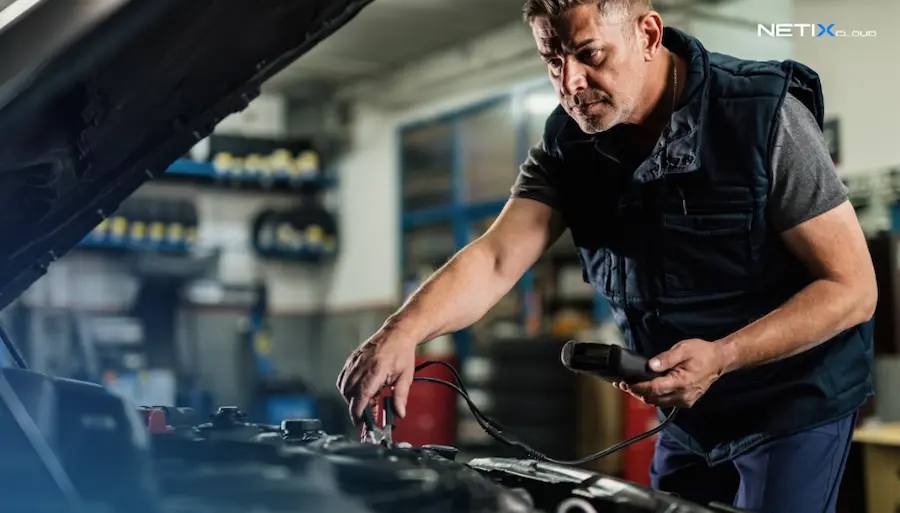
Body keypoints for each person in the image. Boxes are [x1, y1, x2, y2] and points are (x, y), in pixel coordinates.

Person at [337, 0, 877, 511]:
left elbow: (852, 289)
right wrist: (401, 331)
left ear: (647, 34)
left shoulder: (764, 118)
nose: (569, 83)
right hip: (687, 410)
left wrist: (723, 356)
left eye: (589, 54)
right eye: (553, 59)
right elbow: (498, 258)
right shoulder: (567, 145)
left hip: (793, 400)